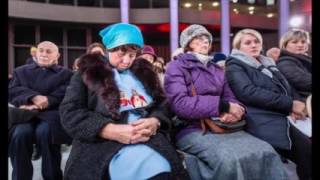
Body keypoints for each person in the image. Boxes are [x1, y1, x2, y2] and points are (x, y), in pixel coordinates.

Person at [59, 23, 189, 180]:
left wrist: (155, 121)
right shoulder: (88, 72)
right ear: (109, 49)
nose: (127, 61)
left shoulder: (144, 73)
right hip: (103, 142)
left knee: (164, 173)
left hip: (149, 140)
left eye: (132, 55)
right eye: (121, 54)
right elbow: (70, 112)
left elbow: (162, 103)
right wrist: (107, 129)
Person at [164, 24, 288, 180]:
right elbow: (180, 104)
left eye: (207, 40)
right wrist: (222, 106)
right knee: (229, 160)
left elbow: (231, 97)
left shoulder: (216, 68)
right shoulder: (176, 67)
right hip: (192, 128)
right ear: (188, 43)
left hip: (223, 126)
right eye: (198, 39)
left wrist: (237, 112)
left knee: (266, 151)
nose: (204, 42)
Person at [225, 28, 311, 180]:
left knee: (307, 153)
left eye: (257, 41)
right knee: (306, 152)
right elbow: (248, 92)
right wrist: (289, 104)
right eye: (248, 43)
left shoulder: (266, 63)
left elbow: (283, 88)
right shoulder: (235, 65)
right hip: (259, 119)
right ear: (238, 47)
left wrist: (290, 106)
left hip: (276, 115)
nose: (254, 45)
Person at [9, 41, 73, 180]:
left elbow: (65, 94)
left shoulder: (67, 74)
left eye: (49, 51)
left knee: (45, 133)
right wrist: (33, 97)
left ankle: (53, 176)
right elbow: (13, 91)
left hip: (51, 116)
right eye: (41, 50)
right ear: (36, 53)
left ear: (58, 55)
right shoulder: (20, 71)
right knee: (20, 134)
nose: (44, 54)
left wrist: (45, 102)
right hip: (25, 115)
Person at [277, 29, 311, 101]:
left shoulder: (307, 60)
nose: (300, 45)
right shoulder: (284, 62)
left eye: (303, 42)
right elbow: (304, 82)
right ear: (285, 45)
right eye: (294, 42)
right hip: (304, 101)